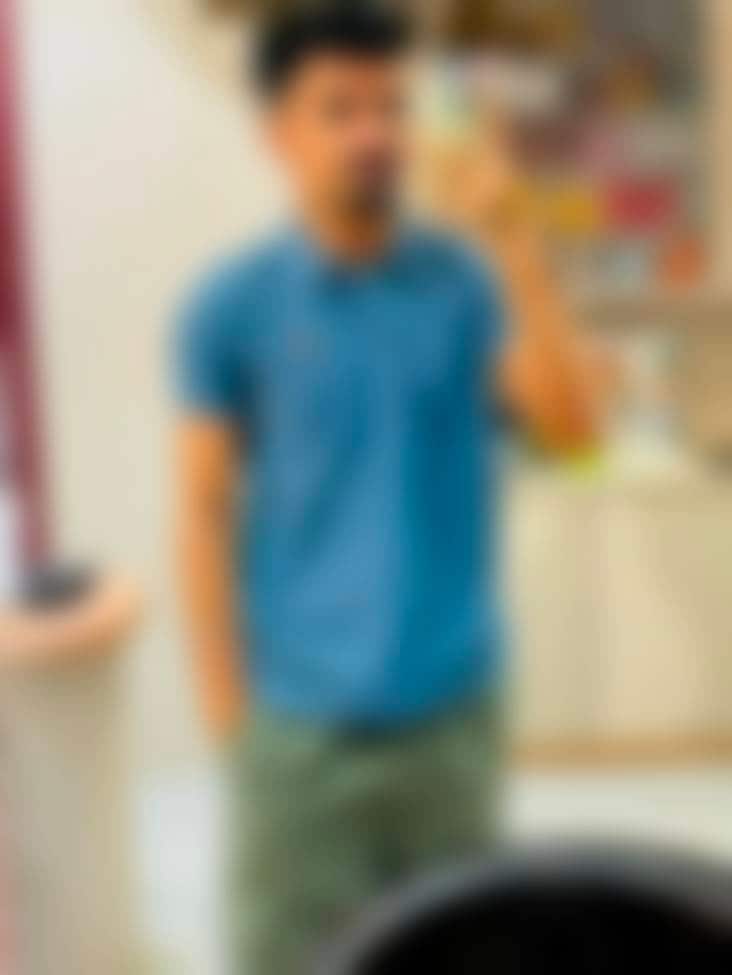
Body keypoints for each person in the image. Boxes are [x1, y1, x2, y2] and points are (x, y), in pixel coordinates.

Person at [172, 4, 602, 973]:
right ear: (279, 134)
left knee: (451, 954)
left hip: (447, 725)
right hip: (299, 737)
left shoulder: (464, 285)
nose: (375, 134)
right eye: (340, 109)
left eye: (392, 107)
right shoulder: (232, 308)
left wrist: (515, 241)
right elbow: (201, 512)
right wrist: (231, 720)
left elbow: (573, 433)